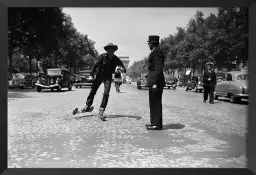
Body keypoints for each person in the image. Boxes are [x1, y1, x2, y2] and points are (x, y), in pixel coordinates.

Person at [81, 43, 126, 120]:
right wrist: (92, 73)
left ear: (114, 51)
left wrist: (123, 69)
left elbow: (123, 67)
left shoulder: (116, 59)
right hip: (99, 75)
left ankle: (101, 109)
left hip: (108, 77)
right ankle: (87, 106)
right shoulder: (102, 56)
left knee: (106, 93)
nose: (111, 52)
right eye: (109, 51)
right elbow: (95, 64)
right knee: (93, 90)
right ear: (107, 51)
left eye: (112, 51)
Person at [146, 35, 165, 130]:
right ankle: (154, 122)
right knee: (153, 102)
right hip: (154, 81)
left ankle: (156, 124)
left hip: (156, 82)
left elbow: (158, 69)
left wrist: (155, 82)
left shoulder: (157, 53)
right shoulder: (156, 52)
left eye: (149, 43)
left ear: (152, 43)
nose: (148, 45)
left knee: (156, 103)